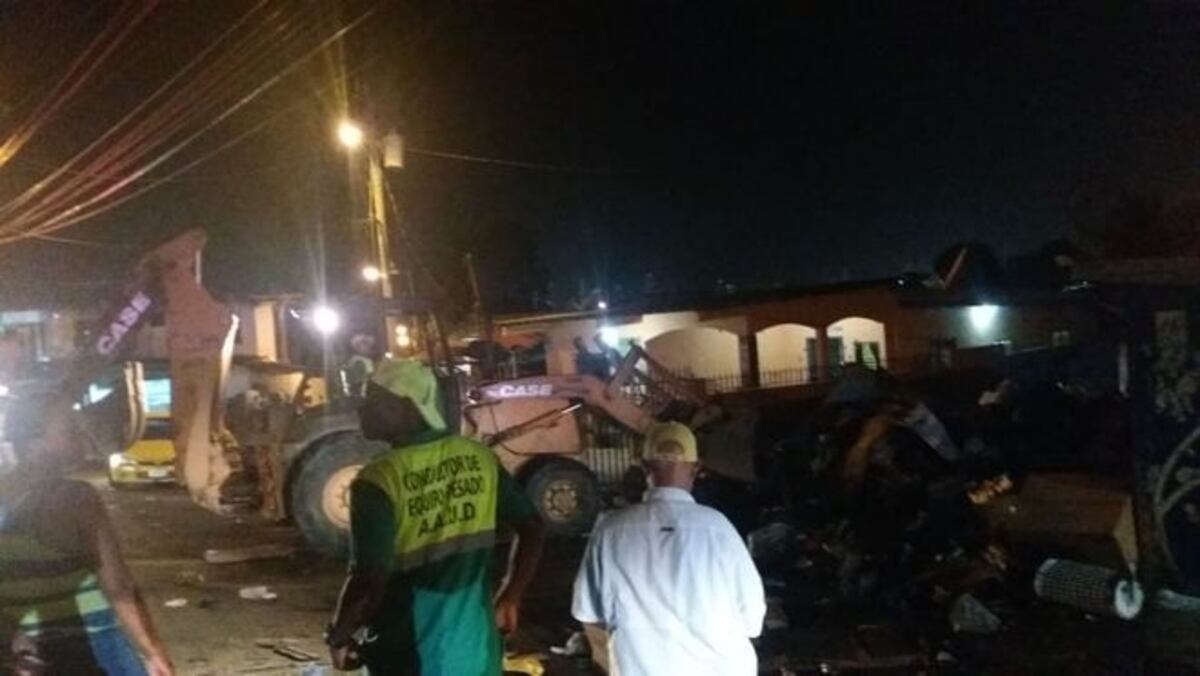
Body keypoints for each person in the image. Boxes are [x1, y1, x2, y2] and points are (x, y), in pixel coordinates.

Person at [325, 359, 546, 675]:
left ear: (408, 407)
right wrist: (511, 595)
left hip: (408, 655)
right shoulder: (479, 459)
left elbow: (368, 579)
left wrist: (339, 635)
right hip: (476, 650)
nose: (361, 409)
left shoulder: (378, 480)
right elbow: (532, 526)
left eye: (373, 400)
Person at [571, 421, 765, 676]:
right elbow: (752, 619)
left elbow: (588, 613)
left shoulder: (609, 530)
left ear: (644, 467)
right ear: (696, 468)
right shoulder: (719, 528)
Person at [0, 392, 174, 675]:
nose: (81, 435)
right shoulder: (78, 498)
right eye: (69, 429)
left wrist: (11, 640)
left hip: (25, 650)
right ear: (34, 443)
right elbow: (119, 588)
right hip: (94, 643)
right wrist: (153, 652)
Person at [339, 333, 377, 398]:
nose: (364, 347)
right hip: (358, 395)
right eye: (360, 345)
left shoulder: (370, 361)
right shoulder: (355, 361)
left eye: (366, 344)